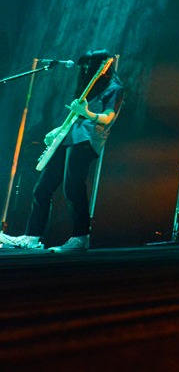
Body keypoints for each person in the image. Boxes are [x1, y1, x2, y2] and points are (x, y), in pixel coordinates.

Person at [0, 50, 123, 253]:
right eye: (84, 66)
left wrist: (87, 112)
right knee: (42, 187)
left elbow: (108, 117)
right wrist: (58, 130)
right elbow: (75, 117)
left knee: (73, 187)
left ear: (103, 66)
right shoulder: (89, 86)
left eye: (89, 65)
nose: (86, 69)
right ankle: (32, 236)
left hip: (86, 139)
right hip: (69, 136)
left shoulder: (114, 88)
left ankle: (80, 237)